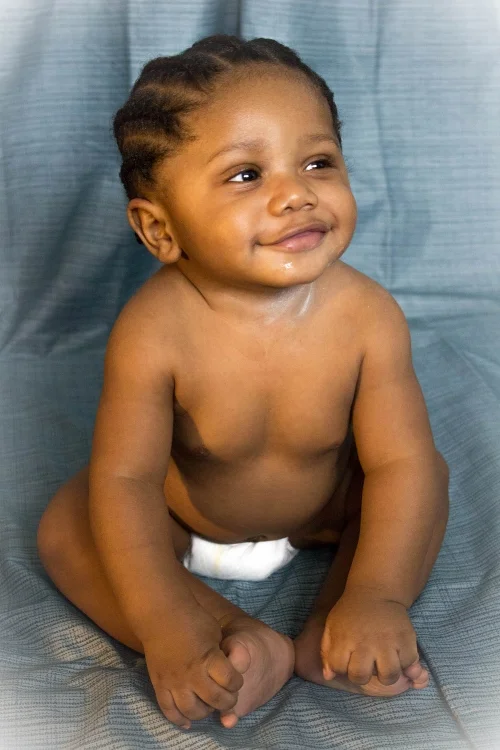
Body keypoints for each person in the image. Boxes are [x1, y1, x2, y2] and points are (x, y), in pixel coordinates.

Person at [36, 34, 450, 731]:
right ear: (160, 229)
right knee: (69, 524)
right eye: (246, 175)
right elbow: (128, 481)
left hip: (325, 510)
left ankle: (339, 625)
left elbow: (398, 464)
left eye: (317, 162)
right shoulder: (152, 332)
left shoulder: (368, 317)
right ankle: (223, 638)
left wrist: (379, 594)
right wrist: (163, 620)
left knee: (424, 475)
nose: (296, 195)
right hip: (187, 518)